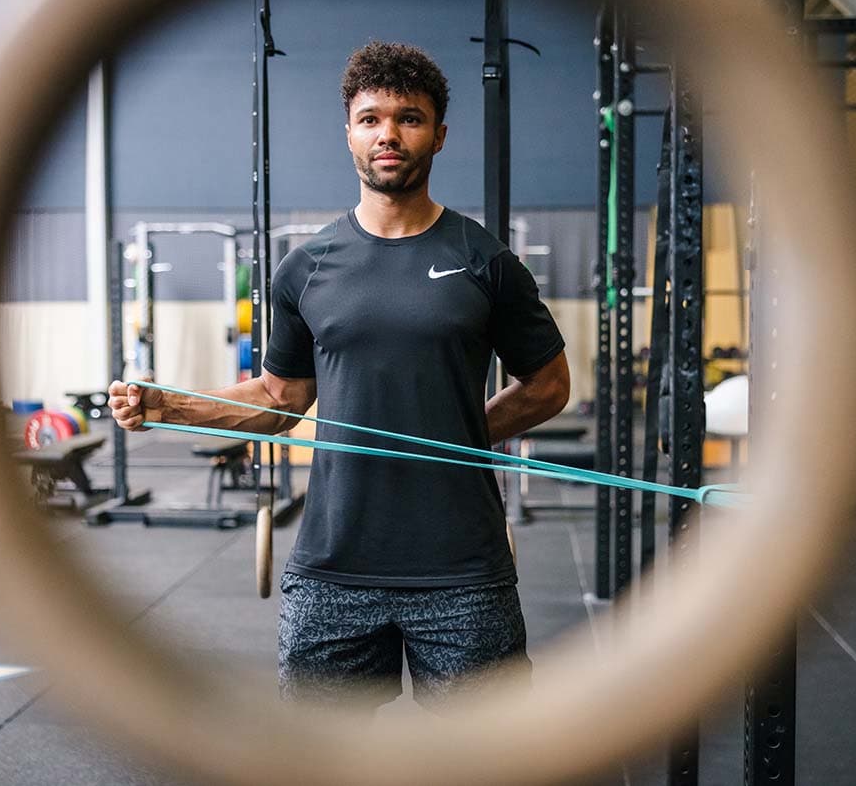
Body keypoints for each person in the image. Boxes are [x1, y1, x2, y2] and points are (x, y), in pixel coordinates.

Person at [109, 41, 569, 712]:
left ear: (439, 135)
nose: (388, 134)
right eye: (370, 118)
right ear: (348, 133)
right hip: (333, 568)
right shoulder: (306, 267)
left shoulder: (485, 262)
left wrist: (459, 434)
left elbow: (549, 385)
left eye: (409, 118)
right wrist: (168, 405)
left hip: (462, 570)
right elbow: (279, 399)